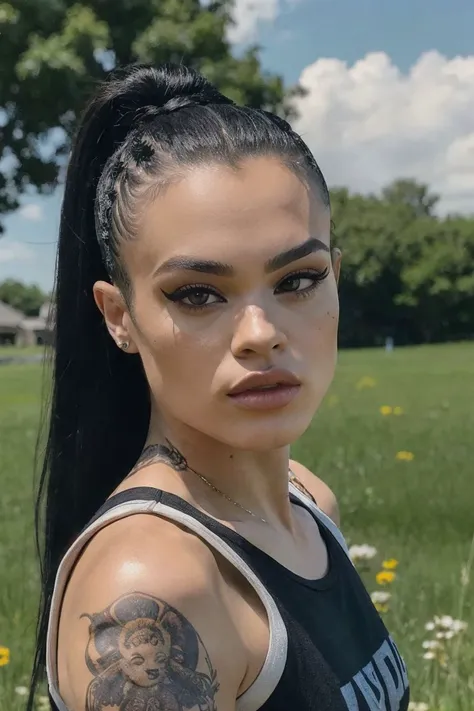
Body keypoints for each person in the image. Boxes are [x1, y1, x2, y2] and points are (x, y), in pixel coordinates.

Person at [28, 63, 410, 711]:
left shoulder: (310, 503)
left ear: (335, 279)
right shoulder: (158, 583)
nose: (260, 333)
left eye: (298, 280)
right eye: (198, 294)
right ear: (119, 316)